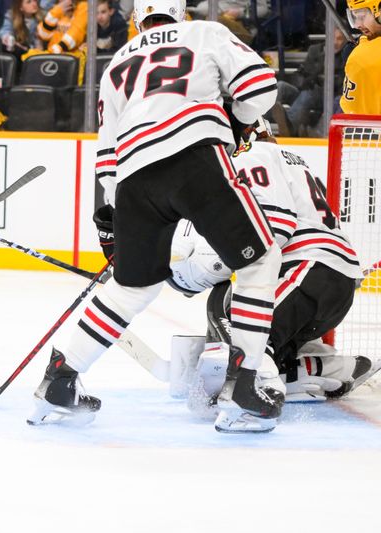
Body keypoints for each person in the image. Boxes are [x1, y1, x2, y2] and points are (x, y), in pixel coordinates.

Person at [29, 0, 282, 433]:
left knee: (132, 289)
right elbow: (260, 88)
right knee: (259, 261)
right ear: (179, 13)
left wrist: (114, 215)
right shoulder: (205, 32)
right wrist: (237, 124)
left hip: (132, 178)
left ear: (136, 20)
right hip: (194, 156)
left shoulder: (116, 65)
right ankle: (243, 385)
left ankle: (61, 378)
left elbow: (106, 159)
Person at [163, 123, 376, 409]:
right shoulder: (283, 157)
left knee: (246, 325)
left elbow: (276, 226)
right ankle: (329, 367)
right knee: (273, 344)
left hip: (309, 270)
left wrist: (213, 265)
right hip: (330, 279)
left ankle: (251, 396)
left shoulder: (251, 155)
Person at [271, 26, 348, 137]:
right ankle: (270, 120)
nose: (335, 42)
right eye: (333, 38)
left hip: (328, 98)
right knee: (281, 86)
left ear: (345, 41)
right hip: (307, 91)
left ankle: (290, 125)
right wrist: (304, 80)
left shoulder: (346, 55)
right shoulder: (315, 50)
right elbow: (302, 73)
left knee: (309, 93)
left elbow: (341, 84)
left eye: (339, 39)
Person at [341, 0, 381, 114]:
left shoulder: (360, 55)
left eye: (362, 16)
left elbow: (351, 111)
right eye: (355, 17)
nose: (358, 24)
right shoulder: (362, 46)